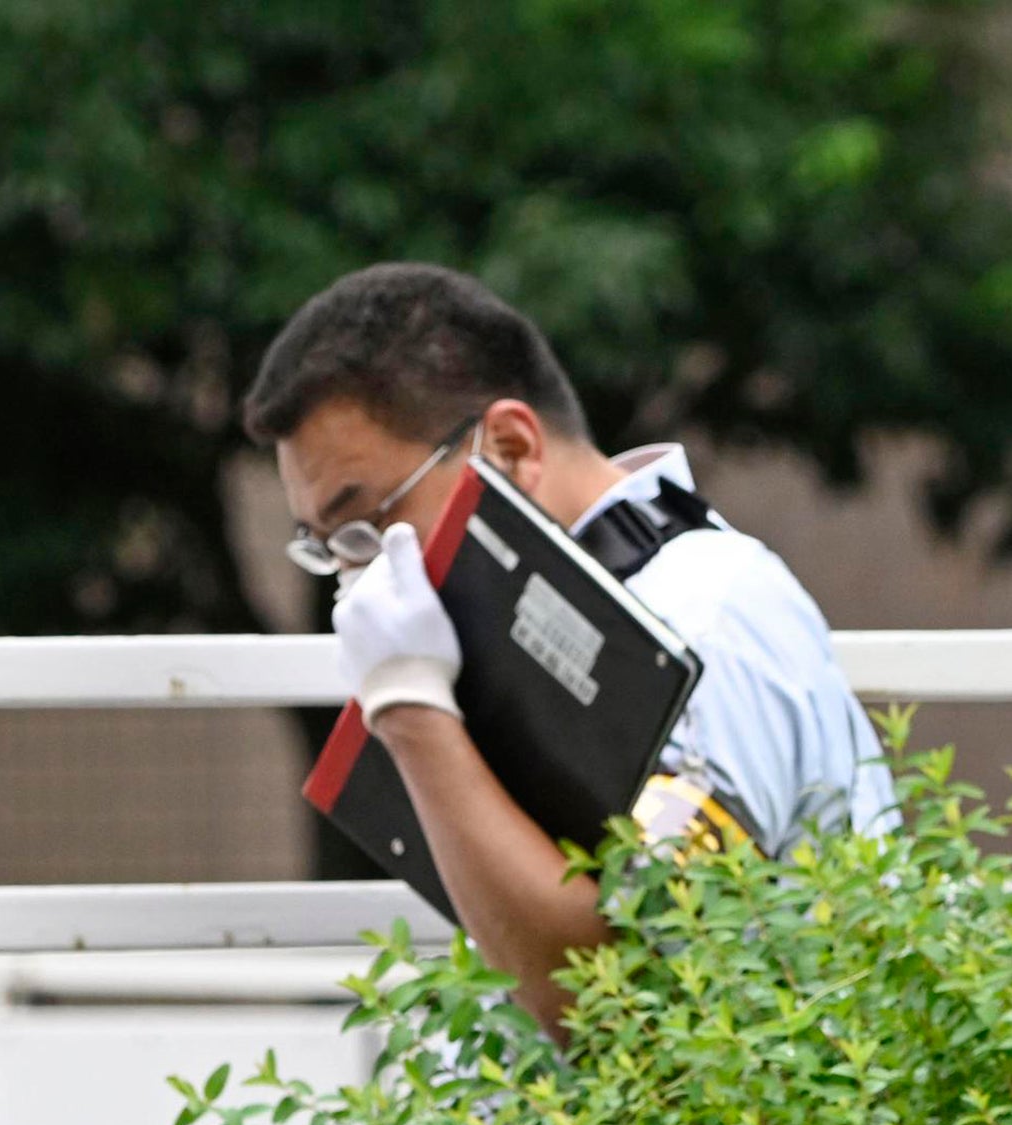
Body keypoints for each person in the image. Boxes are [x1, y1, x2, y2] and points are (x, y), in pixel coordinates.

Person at [246, 263, 892, 1028]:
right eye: (328, 550)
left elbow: (623, 1006)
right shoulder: (537, 638)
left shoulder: (704, 625)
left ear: (513, 449)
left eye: (366, 524)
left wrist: (411, 713)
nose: (357, 586)